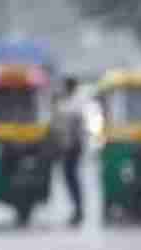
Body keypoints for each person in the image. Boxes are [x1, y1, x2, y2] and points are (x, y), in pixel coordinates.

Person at [55, 77, 86, 226]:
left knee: (72, 177)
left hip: (73, 146)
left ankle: (79, 210)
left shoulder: (76, 102)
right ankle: (77, 209)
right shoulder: (68, 101)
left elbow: (73, 123)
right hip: (68, 145)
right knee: (70, 177)